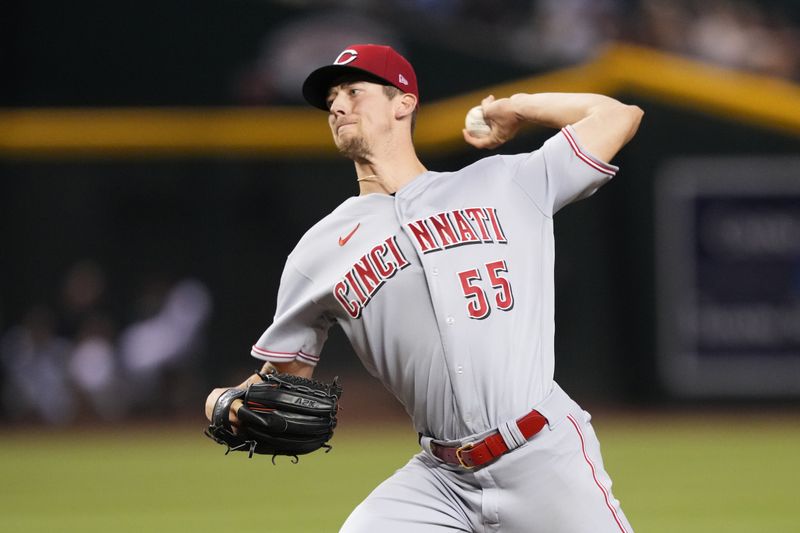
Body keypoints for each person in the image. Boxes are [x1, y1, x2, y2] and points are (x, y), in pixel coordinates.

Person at [206, 44, 643, 532]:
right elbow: (280, 382)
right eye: (331, 98)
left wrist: (515, 106)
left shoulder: (504, 183)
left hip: (542, 455)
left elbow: (617, 115)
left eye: (353, 91)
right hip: (441, 480)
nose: (337, 105)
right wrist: (221, 403)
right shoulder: (318, 252)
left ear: (403, 102)